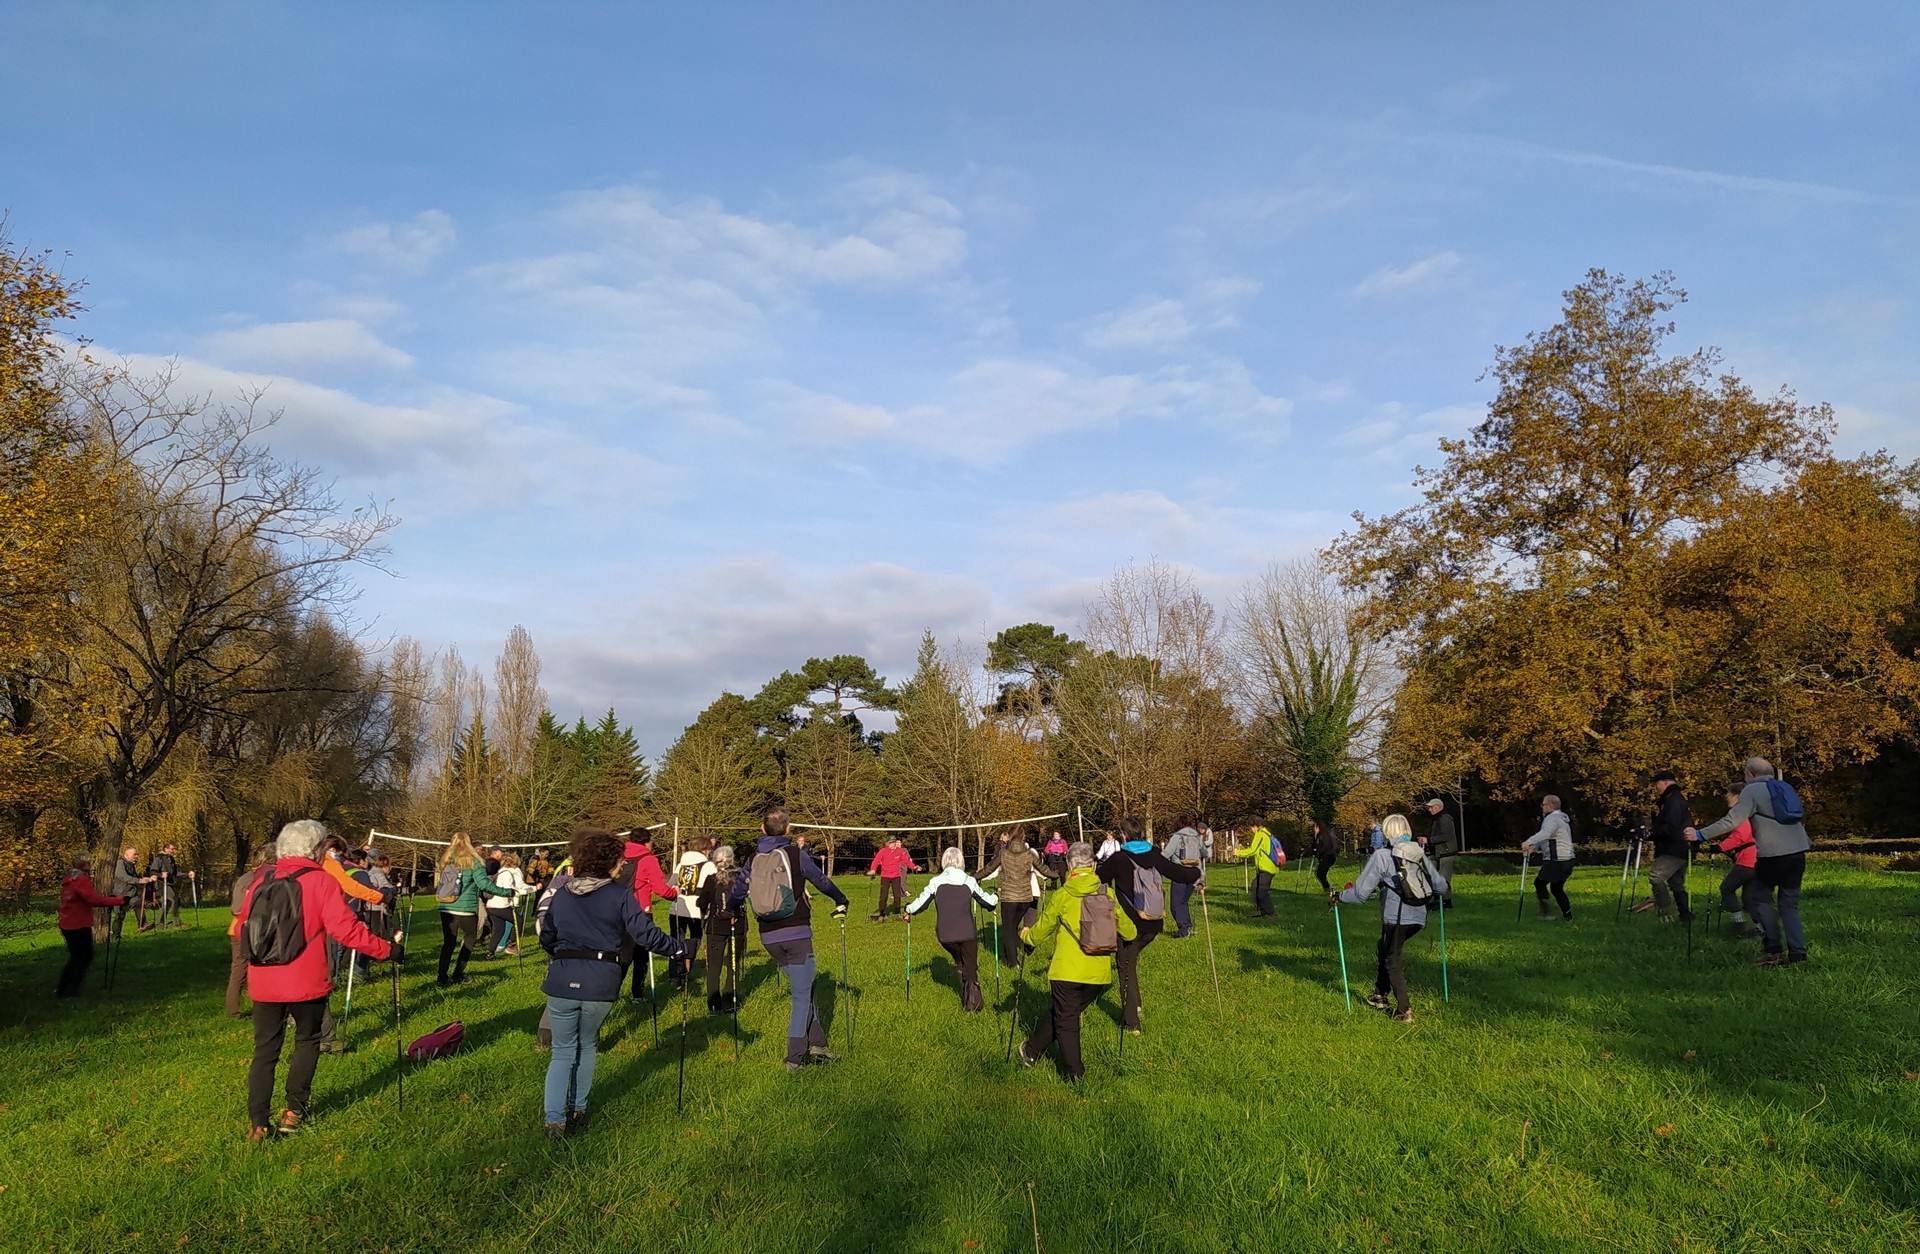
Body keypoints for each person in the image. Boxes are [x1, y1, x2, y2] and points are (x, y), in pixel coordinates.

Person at [236, 819, 396, 1141]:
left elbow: (243, 925)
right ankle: (294, 1111)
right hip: (304, 978)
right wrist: (388, 950)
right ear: (316, 848)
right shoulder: (320, 881)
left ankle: (257, 1122)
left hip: (263, 978)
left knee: (265, 1049)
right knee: (307, 1041)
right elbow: (347, 931)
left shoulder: (261, 878)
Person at [537, 826, 690, 1139]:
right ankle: (577, 1109)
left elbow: (547, 934)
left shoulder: (561, 893)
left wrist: (563, 955)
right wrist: (679, 948)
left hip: (562, 980)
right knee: (586, 1045)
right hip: (600, 981)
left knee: (562, 1052)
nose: (623, 867)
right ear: (608, 863)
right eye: (619, 862)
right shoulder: (619, 895)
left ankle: (554, 1121)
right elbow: (645, 934)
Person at [728, 806, 850, 1071]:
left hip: (769, 938)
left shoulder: (752, 858)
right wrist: (841, 899)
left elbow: (737, 891)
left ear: (762, 829)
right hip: (796, 934)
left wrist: (730, 909)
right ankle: (793, 1059)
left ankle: (818, 1045)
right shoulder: (795, 854)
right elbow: (821, 881)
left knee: (806, 988)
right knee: (801, 995)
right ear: (788, 828)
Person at [1017, 841, 1137, 1081]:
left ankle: (1075, 1075)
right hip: (1098, 975)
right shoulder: (1108, 893)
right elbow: (1130, 932)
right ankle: (1030, 1051)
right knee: (1064, 1013)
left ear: (1070, 866)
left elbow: (1040, 931)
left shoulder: (1063, 895)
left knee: (1067, 1021)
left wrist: (1025, 936)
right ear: (1093, 865)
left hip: (1067, 971)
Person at [1688, 757, 1812, 965]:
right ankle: (1798, 955)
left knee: (1758, 898)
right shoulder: (1784, 787)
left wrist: (1700, 834)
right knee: (1789, 905)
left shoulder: (1752, 791)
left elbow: (1733, 820)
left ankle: (1773, 950)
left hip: (1772, 855)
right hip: (1798, 853)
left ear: (1749, 774)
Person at [1333, 814, 1448, 1023]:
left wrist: (1339, 896)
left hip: (1396, 917)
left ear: (1386, 831)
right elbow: (1441, 885)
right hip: (1419, 917)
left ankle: (1405, 1011)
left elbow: (1360, 893)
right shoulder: (1418, 852)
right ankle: (1380, 995)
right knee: (1384, 947)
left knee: (1392, 960)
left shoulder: (1382, 855)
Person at [1097, 816, 1201, 1033]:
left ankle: (1132, 1022)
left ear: (1123, 835)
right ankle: (1136, 1006)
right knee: (1130, 961)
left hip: (1129, 926)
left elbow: (1097, 877)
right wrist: (1197, 872)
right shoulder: (1153, 854)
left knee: (1125, 965)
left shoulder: (1118, 858)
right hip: (1153, 924)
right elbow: (1179, 874)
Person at [906, 847, 998, 1011]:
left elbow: (920, 904)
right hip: (967, 933)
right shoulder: (969, 881)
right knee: (970, 968)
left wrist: (908, 910)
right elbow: (988, 902)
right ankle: (973, 1006)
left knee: (962, 963)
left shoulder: (936, 882)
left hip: (945, 935)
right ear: (961, 861)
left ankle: (965, 987)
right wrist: (996, 898)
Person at [437, 832, 512, 986]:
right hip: (466, 908)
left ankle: (441, 978)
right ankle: (458, 973)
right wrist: (507, 892)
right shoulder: (474, 862)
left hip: (446, 907)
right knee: (469, 939)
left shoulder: (446, 860)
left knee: (448, 943)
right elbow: (484, 885)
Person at [980, 826, 1054, 966]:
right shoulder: (1030, 853)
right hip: (1026, 898)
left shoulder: (1003, 853)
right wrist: (1055, 875)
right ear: (1023, 837)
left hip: (1009, 898)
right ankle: (1011, 952)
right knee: (1013, 927)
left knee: (1008, 929)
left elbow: (989, 869)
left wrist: (975, 877)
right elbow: (1043, 870)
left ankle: (1012, 962)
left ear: (1009, 837)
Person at [619, 827, 678, 1001]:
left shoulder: (619, 855)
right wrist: (674, 893)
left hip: (617, 910)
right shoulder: (648, 859)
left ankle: (609, 991)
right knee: (641, 955)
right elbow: (660, 889)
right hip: (640, 911)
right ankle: (638, 994)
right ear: (647, 841)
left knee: (621, 954)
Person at [57, 855, 125, 997]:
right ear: (85, 865)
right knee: (84, 957)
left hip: (67, 923)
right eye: (89, 863)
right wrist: (118, 900)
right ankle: (70, 989)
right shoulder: (82, 879)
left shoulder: (69, 880)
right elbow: (92, 899)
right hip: (78, 924)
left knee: (76, 957)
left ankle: (64, 988)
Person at [1700, 783, 1758, 937]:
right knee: (1749, 897)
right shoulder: (1753, 812)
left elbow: (1740, 836)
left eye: (1729, 794)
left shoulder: (1741, 814)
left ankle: (1738, 924)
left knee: (1727, 888)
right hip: (1756, 859)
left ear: (1738, 797)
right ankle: (1762, 928)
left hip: (1748, 860)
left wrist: (1720, 847)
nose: (1727, 797)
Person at [696, 844, 748, 1012]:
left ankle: (713, 1004)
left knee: (713, 966)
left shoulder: (711, 879)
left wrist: (704, 912)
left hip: (715, 926)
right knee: (733, 964)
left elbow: (701, 902)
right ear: (732, 859)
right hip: (737, 924)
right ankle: (730, 1000)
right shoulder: (741, 877)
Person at [1638, 772, 1693, 923]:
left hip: (1673, 849)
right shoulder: (1673, 799)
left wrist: (1650, 835)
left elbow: (1671, 827)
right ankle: (1685, 916)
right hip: (1680, 847)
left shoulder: (1672, 801)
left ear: (1665, 782)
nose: (1656, 787)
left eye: (1657, 783)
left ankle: (1664, 911)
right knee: (1676, 884)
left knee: (1655, 877)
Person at [227, 847, 272, 1017]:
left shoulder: (246, 879)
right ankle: (236, 1011)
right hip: (248, 929)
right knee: (243, 970)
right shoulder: (252, 879)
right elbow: (237, 909)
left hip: (247, 929)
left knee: (245, 970)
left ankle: (242, 1010)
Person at [667, 837, 716, 987]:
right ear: (704, 850)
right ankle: (686, 970)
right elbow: (713, 888)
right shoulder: (708, 866)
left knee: (675, 940)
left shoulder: (680, 864)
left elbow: (670, 885)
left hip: (677, 908)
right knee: (695, 939)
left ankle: (674, 975)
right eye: (708, 849)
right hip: (696, 910)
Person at [1521, 795, 1575, 921]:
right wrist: (1535, 847)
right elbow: (1549, 838)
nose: (1542, 807)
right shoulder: (1560, 818)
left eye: (1543, 805)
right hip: (1567, 859)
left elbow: (1545, 833)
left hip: (1557, 859)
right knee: (1556, 889)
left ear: (1550, 806)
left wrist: (1528, 842)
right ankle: (1568, 917)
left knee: (1539, 883)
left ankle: (1545, 914)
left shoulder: (1552, 819)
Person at [1162, 819, 1212, 938]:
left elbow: (1166, 853)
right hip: (1194, 873)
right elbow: (1206, 853)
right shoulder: (1197, 836)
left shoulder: (1177, 837)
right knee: (1183, 901)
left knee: (1175, 904)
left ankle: (1184, 929)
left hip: (1179, 872)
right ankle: (1187, 926)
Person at [1232, 825, 1284, 918]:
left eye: (1251, 827)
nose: (1251, 830)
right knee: (1255, 886)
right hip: (1267, 867)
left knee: (1262, 891)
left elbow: (1253, 850)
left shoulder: (1260, 835)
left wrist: (1238, 853)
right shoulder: (1267, 834)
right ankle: (1261, 910)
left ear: (1254, 826)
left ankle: (1270, 912)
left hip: (1267, 867)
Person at [865, 835, 920, 922]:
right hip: (885, 876)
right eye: (891, 843)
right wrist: (873, 870)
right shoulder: (883, 851)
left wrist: (914, 867)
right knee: (883, 896)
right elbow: (876, 860)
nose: (893, 844)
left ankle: (897, 913)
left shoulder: (900, 851)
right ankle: (881, 913)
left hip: (896, 876)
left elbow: (906, 861)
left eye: (894, 842)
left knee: (897, 895)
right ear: (887, 844)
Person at [1420, 799, 1459, 908]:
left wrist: (1428, 840)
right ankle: (1435, 900)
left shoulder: (1445, 819)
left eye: (1431, 807)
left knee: (1443, 878)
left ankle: (1445, 902)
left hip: (1446, 854)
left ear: (1438, 807)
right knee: (1432, 875)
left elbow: (1446, 836)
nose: (1429, 810)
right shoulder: (1437, 819)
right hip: (1437, 853)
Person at [491, 853, 531, 958]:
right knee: (516, 921)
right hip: (507, 902)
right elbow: (516, 887)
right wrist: (532, 889)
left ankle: (492, 951)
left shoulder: (498, 871)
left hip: (492, 903)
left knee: (500, 927)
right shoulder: (514, 871)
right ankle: (509, 945)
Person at [109, 848, 155, 936]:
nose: (137, 856)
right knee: (120, 916)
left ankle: (142, 925)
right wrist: (139, 880)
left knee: (139, 902)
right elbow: (123, 877)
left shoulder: (131, 865)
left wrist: (146, 879)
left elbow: (135, 877)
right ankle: (115, 935)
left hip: (130, 894)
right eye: (135, 854)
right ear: (127, 854)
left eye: (137, 854)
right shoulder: (120, 863)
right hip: (119, 894)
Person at [148, 842, 185, 927]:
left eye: (174, 849)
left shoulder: (171, 859)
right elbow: (152, 871)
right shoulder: (159, 858)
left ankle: (160, 923)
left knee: (168, 903)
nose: (173, 851)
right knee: (175, 899)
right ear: (166, 848)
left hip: (169, 883)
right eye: (172, 849)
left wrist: (186, 874)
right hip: (162, 884)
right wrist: (161, 875)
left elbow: (174, 873)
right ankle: (177, 922)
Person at [1311, 820, 1339, 893]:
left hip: (1329, 856)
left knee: (1320, 873)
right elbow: (1314, 846)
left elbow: (1325, 847)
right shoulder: (1318, 835)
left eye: (1315, 827)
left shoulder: (1324, 835)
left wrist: (1317, 851)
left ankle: (1327, 889)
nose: (1314, 829)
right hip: (1324, 856)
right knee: (1320, 873)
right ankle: (1327, 888)